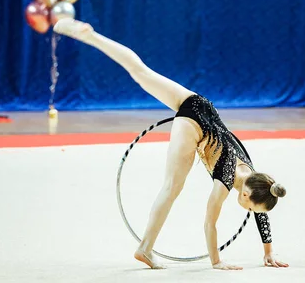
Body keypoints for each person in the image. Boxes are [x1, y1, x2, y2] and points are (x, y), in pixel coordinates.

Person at [54, 18, 289, 271]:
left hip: (199, 104)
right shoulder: (225, 182)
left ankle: (91, 36)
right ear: (245, 194)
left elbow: (263, 203)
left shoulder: (258, 178)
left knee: (141, 72)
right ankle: (144, 248)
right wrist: (217, 261)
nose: (252, 212)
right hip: (194, 127)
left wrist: (269, 250)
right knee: (171, 188)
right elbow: (210, 224)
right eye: (252, 208)